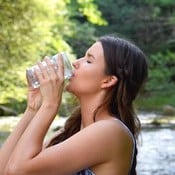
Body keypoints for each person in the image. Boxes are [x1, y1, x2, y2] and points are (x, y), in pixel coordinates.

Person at [0, 35, 148, 175]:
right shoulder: (70, 133)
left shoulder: (111, 131)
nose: (76, 62)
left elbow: (17, 171)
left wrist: (50, 105)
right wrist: (32, 109)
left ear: (108, 81)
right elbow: (4, 170)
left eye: (89, 61)